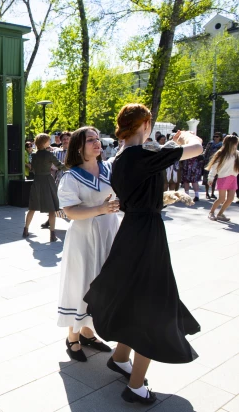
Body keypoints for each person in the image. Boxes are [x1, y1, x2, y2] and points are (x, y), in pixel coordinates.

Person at [83, 104, 202, 405]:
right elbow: (198, 148)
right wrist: (187, 135)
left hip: (133, 231)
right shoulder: (140, 155)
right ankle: (136, 386)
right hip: (147, 234)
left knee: (137, 297)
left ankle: (121, 357)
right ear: (146, 125)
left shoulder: (120, 157)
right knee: (153, 306)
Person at [57, 127, 118, 362]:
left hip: (109, 231)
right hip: (84, 236)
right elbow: (69, 211)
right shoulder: (71, 177)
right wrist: (100, 209)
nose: (97, 143)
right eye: (90, 140)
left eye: (97, 139)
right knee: (83, 283)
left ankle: (87, 331)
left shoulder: (109, 168)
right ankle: (72, 336)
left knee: (102, 282)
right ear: (78, 147)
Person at [23, 133, 67, 242]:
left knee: (32, 207)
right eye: (47, 140)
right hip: (47, 181)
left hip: (37, 181)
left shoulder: (34, 155)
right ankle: (52, 234)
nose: (49, 142)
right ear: (44, 142)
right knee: (51, 208)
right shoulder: (49, 155)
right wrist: (71, 166)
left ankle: (26, 229)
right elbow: (60, 166)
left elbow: (33, 169)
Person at [206, 134, 239, 222]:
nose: (237, 144)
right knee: (221, 198)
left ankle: (220, 214)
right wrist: (210, 178)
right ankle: (211, 212)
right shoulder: (221, 153)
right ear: (231, 143)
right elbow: (214, 167)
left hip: (233, 178)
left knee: (231, 198)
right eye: (236, 143)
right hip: (223, 178)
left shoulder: (237, 154)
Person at [203, 133, 222, 200]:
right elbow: (206, 153)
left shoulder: (222, 145)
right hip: (208, 163)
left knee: (215, 179)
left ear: (220, 137)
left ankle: (212, 193)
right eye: (214, 136)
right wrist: (204, 161)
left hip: (217, 163)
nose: (215, 138)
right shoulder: (210, 144)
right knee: (206, 179)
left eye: (217, 136)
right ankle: (207, 193)